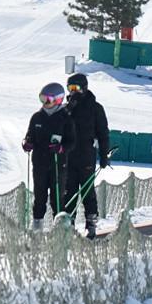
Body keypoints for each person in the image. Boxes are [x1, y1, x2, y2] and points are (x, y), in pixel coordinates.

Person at [63, 73, 110, 238]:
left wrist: (104, 156)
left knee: (87, 190)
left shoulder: (95, 108)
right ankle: (67, 224)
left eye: (75, 88)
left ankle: (91, 223)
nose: (72, 92)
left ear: (84, 88)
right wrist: (67, 111)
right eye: (69, 89)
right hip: (68, 157)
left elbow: (103, 133)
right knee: (68, 191)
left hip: (86, 156)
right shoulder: (67, 108)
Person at [23, 83, 76, 230]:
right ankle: (37, 227)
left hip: (58, 165)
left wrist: (61, 148)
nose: (45, 103)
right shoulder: (37, 117)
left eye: (48, 100)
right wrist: (27, 143)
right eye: (42, 99)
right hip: (40, 163)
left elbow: (71, 142)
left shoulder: (65, 119)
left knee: (57, 198)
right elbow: (29, 136)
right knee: (39, 196)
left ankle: (59, 228)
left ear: (58, 100)